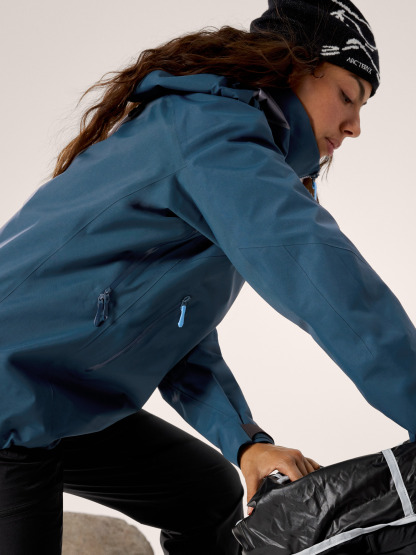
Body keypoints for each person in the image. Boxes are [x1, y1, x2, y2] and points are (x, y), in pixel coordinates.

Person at [0, 0, 414, 553]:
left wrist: (245, 443)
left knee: (206, 496)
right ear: (292, 66)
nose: (355, 126)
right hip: (9, 394)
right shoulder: (211, 133)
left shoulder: (228, 150)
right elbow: (330, 286)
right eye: (347, 96)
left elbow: (175, 331)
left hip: (51, 401)